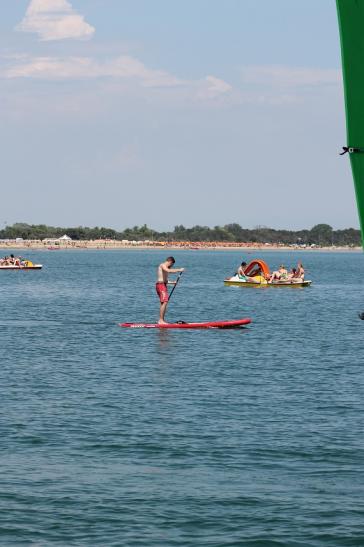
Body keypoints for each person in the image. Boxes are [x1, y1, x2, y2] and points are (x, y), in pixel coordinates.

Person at [156, 257, 184, 324]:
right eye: (171, 265)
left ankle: (161, 320)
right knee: (165, 302)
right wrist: (179, 270)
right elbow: (168, 271)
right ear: (170, 261)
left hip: (163, 285)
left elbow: (164, 280)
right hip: (161, 286)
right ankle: (160, 320)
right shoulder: (162, 265)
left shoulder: (165, 268)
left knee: (164, 302)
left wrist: (172, 282)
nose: (171, 266)